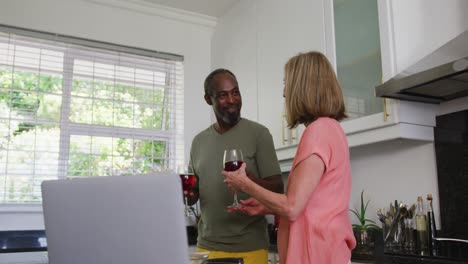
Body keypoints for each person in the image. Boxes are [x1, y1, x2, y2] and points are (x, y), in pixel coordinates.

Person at [223, 51, 356, 264]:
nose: (284, 93)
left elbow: (292, 207)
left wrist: (244, 183)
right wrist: (266, 206)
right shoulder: (331, 129)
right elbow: (308, 204)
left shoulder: (319, 132)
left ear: (301, 87)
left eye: (286, 83)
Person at [188, 68, 284, 264]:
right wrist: (186, 193)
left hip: (249, 247)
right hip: (205, 247)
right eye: (223, 95)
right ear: (208, 99)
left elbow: (278, 189)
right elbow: (193, 194)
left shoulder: (259, 134)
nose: (232, 100)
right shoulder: (198, 142)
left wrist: (249, 181)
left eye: (235, 92)